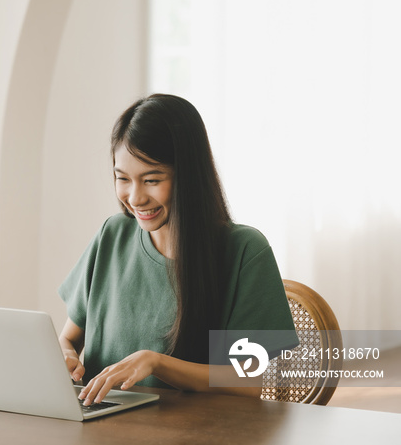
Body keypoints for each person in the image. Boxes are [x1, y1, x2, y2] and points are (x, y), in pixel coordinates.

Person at [58, 94, 299, 406]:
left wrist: (157, 363)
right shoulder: (111, 236)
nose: (135, 197)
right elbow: (68, 338)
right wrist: (64, 356)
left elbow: (246, 383)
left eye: (152, 180)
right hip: (99, 430)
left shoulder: (245, 251)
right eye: (123, 179)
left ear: (188, 176)